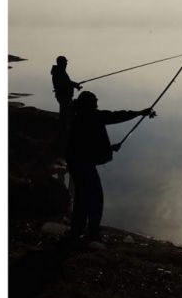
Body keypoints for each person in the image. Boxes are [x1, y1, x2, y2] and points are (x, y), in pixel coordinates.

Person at [66, 90, 156, 245]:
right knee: (95, 199)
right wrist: (139, 113)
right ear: (88, 104)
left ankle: (78, 232)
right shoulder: (91, 116)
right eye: (94, 100)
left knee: (82, 199)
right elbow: (115, 116)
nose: (97, 102)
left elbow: (89, 143)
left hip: (78, 163)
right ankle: (91, 233)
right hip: (83, 165)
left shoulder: (81, 117)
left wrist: (109, 148)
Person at [50, 56, 82, 129]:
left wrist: (76, 85)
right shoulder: (59, 72)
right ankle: (63, 128)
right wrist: (75, 85)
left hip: (64, 95)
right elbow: (66, 83)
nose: (66, 63)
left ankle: (63, 127)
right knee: (65, 112)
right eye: (65, 62)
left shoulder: (60, 71)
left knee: (65, 111)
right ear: (61, 63)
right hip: (63, 95)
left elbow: (67, 82)